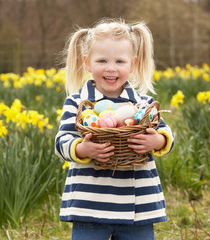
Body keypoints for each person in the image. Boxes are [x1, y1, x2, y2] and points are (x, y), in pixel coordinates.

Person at [55, 18, 174, 240]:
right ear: (87, 63)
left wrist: (157, 142)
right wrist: (82, 149)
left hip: (138, 209)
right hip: (89, 205)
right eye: (101, 61)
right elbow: (61, 142)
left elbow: (167, 136)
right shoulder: (78, 103)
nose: (111, 68)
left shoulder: (143, 104)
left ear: (133, 64)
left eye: (120, 61)